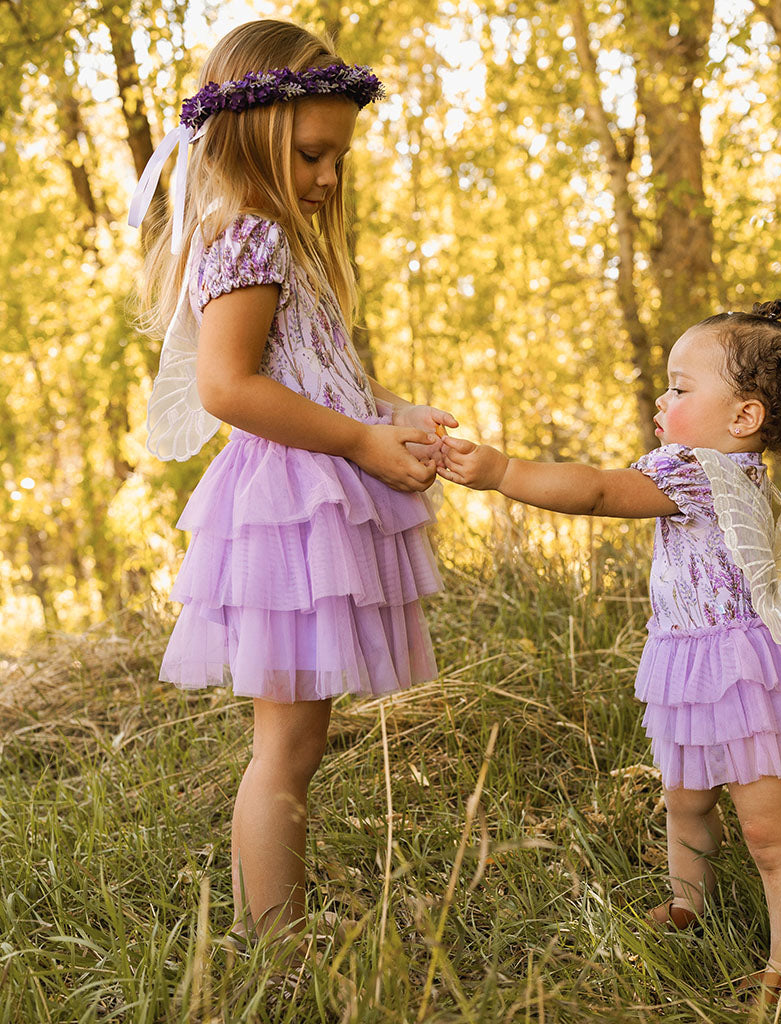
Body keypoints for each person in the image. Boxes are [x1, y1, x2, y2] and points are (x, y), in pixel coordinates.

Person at [131, 19, 456, 962]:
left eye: (338, 158)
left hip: (304, 498)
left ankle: (277, 927)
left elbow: (309, 371)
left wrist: (388, 412)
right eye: (312, 155)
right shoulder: (249, 237)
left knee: (297, 745)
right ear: (249, 135)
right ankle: (271, 948)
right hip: (287, 510)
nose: (328, 177)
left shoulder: (274, 238)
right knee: (285, 749)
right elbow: (228, 388)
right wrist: (359, 441)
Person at [438, 300, 781, 1007]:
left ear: (744, 416)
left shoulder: (699, 471)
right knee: (684, 802)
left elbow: (599, 490)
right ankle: (690, 903)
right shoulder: (720, 468)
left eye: (680, 387)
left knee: (770, 836)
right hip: (694, 665)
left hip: (747, 676)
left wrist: (504, 471)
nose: (663, 400)